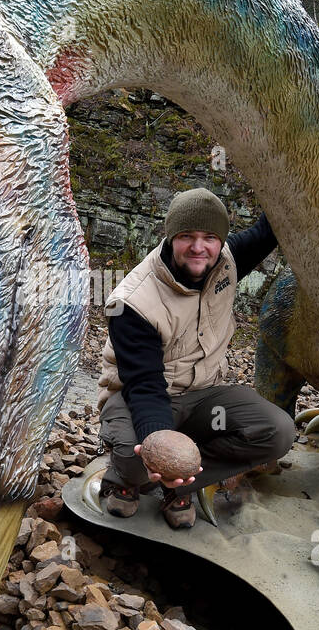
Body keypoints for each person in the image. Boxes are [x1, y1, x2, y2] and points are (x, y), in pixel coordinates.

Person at [96, 187, 296, 528]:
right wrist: (164, 458)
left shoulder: (227, 262)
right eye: (187, 236)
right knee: (135, 459)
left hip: (205, 394)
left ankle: (186, 482)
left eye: (210, 237)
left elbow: (270, 227)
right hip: (137, 398)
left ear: (221, 242)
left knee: (278, 431)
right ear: (171, 237)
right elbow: (145, 387)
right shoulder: (130, 303)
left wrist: (301, 178)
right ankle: (123, 478)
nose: (198, 247)